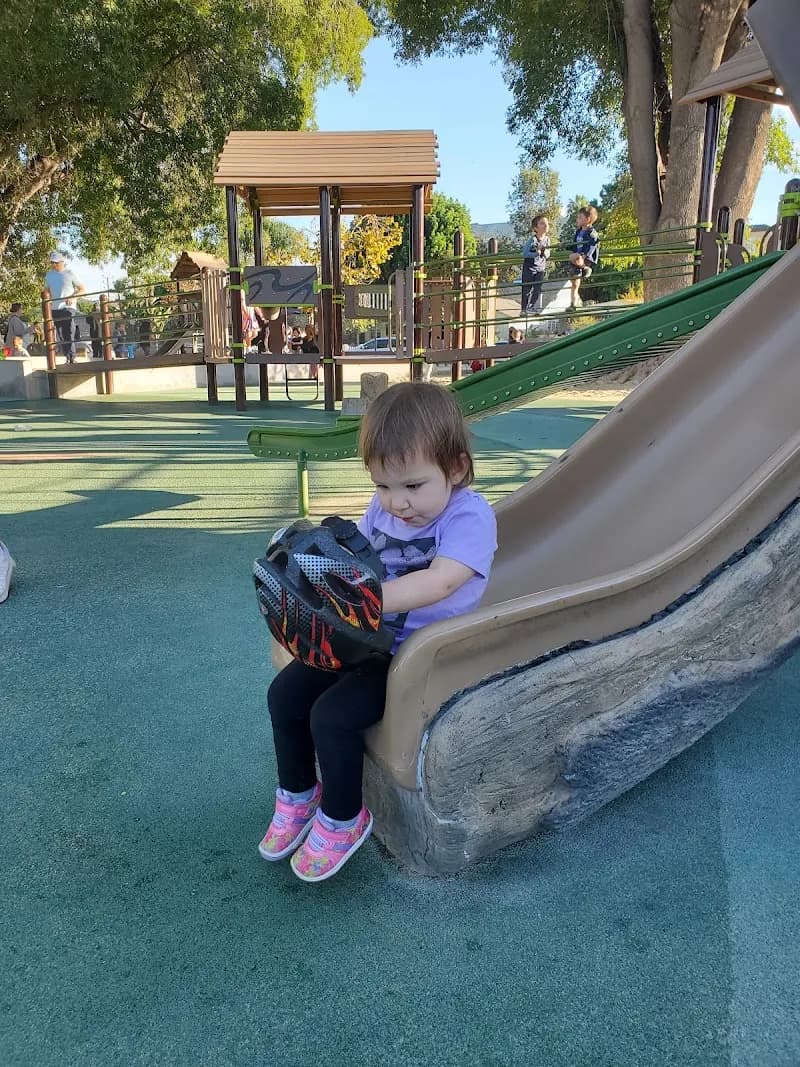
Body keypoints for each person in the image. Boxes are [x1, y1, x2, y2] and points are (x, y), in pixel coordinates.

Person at [259, 381, 498, 883]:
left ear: (455, 469)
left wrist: (367, 599)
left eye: (412, 486)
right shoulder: (384, 506)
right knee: (285, 694)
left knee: (333, 715)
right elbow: (356, 560)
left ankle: (345, 818)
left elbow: (442, 579)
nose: (396, 503)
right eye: (384, 487)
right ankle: (298, 794)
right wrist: (313, 580)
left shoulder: (470, 515)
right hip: (365, 637)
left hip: (415, 655)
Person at [43, 251, 85, 363]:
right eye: (52, 263)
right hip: (55, 308)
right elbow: (46, 290)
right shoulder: (49, 275)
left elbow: (82, 289)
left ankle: (72, 357)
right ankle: (68, 357)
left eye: (56, 263)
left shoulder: (69, 273)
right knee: (60, 334)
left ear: (62, 262)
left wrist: (73, 297)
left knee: (69, 331)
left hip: (68, 307)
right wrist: (48, 300)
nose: (54, 265)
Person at [567, 206, 600, 309]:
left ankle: (585, 267)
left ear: (588, 219)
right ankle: (573, 303)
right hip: (577, 259)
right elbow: (575, 244)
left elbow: (592, 244)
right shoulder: (578, 231)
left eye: (580, 217)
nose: (577, 220)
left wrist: (585, 255)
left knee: (572, 256)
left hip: (584, 258)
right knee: (574, 282)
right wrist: (566, 245)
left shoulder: (592, 233)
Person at [521, 216, 551, 314]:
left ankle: (531, 306)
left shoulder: (547, 239)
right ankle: (523, 309)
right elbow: (524, 253)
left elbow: (548, 254)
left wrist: (544, 252)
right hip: (529, 267)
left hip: (540, 268)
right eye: (542, 223)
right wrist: (535, 254)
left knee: (537, 288)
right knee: (526, 289)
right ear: (536, 228)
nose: (545, 225)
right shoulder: (532, 240)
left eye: (546, 223)